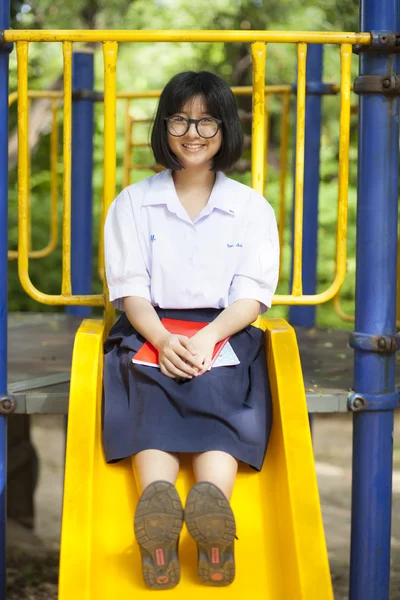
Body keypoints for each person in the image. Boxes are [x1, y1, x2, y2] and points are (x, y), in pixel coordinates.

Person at [103, 70, 279, 590]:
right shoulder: (134, 202)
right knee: (148, 387)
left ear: (225, 128)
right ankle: (157, 515)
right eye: (180, 119)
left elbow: (252, 292)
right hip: (150, 326)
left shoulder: (250, 207)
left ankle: (212, 520)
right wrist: (160, 339)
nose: (193, 131)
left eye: (206, 120)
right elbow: (130, 287)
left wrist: (207, 338)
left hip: (223, 329)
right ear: (164, 126)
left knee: (221, 388)